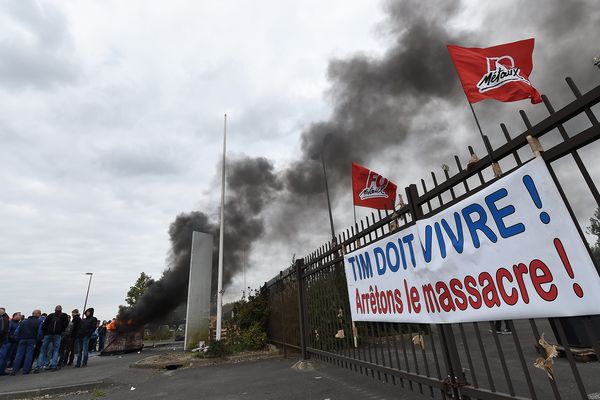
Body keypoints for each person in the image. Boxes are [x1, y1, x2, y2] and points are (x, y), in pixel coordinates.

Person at [35, 305, 69, 372]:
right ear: (61, 310)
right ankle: (54, 365)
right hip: (57, 335)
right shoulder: (64, 315)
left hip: (48, 334)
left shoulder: (50, 315)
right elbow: (66, 325)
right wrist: (61, 331)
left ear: (55, 309)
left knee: (43, 350)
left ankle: (38, 367)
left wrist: (45, 334)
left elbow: (44, 325)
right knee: (56, 350)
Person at [11, 310, 42, 375]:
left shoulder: (23, 321)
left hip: (22, 339)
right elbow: (39, 333)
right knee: (29, 355)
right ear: (39, 314)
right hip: (32, 340)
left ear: (32, 314)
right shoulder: (39, 321)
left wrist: (18, 339)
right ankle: (25, 370)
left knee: (18, 355)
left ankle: (14, 371)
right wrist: (38, 340)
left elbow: (17, 331)